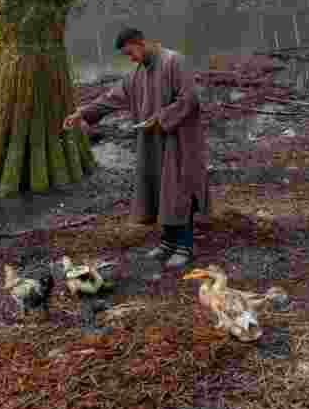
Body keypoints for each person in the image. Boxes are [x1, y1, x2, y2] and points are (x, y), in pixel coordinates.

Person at [63, 28, 209, 268]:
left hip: (178, 141)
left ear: (139, 43)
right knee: (159, 191)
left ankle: (184, 246)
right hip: (152, 144)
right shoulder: (137, 74)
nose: (130, 59)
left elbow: (189, 99)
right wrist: (83, 113)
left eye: (130, 53)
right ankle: (167, 243)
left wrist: (160, 118)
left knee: (178, 192)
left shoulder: (174, 61)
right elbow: (112, 97)